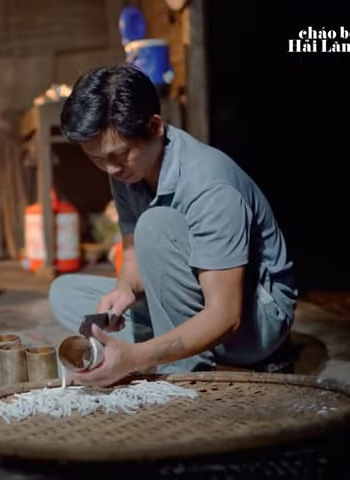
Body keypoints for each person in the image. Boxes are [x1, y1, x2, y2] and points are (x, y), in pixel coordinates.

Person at [49, 64, 297, 386]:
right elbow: (133, 253)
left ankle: (184, 370)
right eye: (97, 159)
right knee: (64, 293)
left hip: (251, 320)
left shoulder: (210, 187)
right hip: (192, 298)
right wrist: (124, 289)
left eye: (118, 155)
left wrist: (135, 359)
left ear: (154, 127)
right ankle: (167, 344)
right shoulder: (128, 170)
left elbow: (226, 315)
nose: (110, 170)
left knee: (156, 225)